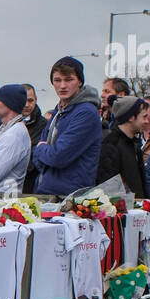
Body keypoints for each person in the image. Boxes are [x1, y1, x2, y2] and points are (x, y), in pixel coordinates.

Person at [32, 56, 102, 195]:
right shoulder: (59, 110)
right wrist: (43, 153)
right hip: (46, 189)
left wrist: (41, 150)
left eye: (69, 79)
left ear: (80, 82)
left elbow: (58, 156)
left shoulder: (86, 113)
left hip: (70, 196)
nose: (62, 86)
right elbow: (37, 156)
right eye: (57, 80)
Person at [97, 96, 150, 197]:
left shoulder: (134, 144)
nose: (147, 121)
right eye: (144, 117)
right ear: (131, 117)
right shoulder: (110, 145)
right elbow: (108, 187)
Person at [21, 84, 47, 193]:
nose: (27, 105)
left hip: (31, 180)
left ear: (36, 100)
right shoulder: (6, 123)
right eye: (23, 101)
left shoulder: (44, 125)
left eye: (30, 100)